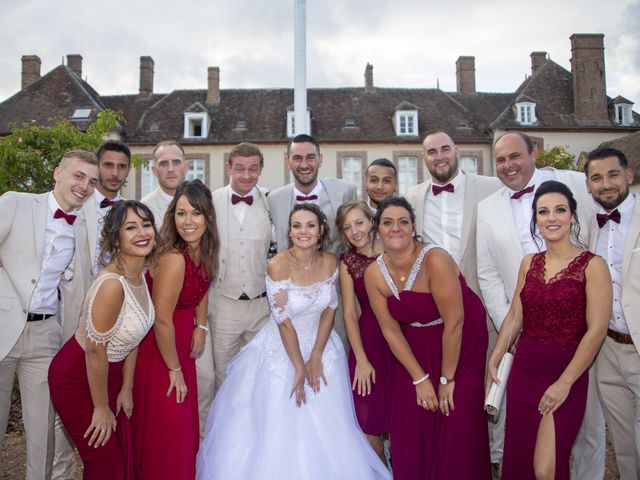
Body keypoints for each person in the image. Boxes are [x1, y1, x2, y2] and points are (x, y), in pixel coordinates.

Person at [196, 203, 391, 480]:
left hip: (323, 347)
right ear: (289, 231)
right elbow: (283, 321)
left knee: (330, 424)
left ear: (321, 229)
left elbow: (329, 309)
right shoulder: (277, 265)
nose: (303, 232)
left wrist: (316, 356)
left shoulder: (330, 262)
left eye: (310, 225)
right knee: (281, 423)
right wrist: (300, 366)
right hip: (283, 350)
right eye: (297, 226)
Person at [476, 131, 601, 478]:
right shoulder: (525, 257)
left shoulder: (592, 261)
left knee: (559, 457)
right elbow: (505, 297)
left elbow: (597, 328)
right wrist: (501, 350)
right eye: (500, 159)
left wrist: (565, 381)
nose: (508, 165)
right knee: (521, 455)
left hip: (570, 360)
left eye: (560, 210)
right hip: (526, 357)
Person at [365, 197, 491, 479]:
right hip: (414, 346)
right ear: (378, 229)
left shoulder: (435, 259)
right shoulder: (374, 274)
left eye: (403, 222)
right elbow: (390, 329)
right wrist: (420, 379)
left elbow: (455, 322)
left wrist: (446, 380)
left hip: (461, 340)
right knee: (412, 417)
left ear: (413, 227)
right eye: (387, 222)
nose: (395, 228)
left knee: (455, 414)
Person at [0, 150, 98, 480]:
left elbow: (78, 286)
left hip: (46, 337)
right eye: (78, 176)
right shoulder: (16, 202)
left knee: (43, 436)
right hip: (2, 328)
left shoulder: (82, 229)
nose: (85, 186)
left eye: (91, 181)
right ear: (57, 173)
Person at [407, 130, 502, 468]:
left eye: (445, 148)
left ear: (457, 150)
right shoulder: (413, 196)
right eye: (431, 151)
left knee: (490, 384)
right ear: (424, 159)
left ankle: (494, 457)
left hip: (482, 303)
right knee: (450, 390)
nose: (439, 156)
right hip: (439, 314)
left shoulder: (490, 188)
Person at [48, 200, 158, 479]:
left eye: (146, 225)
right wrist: (100, 407)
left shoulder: (140, 274)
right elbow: (95, 352)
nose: (142, 233)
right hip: (77, 377)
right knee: (106, 463)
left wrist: (127, 387)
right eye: (130, 227)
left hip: (109, 376)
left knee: (119, 457)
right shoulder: (112, 285)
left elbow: (132, 337)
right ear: (115, 238)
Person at [53, 139, 132, 480]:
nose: (114, 173)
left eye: (121, 167)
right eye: (108, 165)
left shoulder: (133, 211)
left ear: (128, 172)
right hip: (72, 316)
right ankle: (61, 473)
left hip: (115, 327)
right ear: (99, 168)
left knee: (103, 417)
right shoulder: (77, 204)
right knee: (63, 418)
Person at [132, 180, 218, 479]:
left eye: (195, 213)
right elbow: (161, 319)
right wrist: (174, 368)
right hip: (161, 349)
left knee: (181, 425)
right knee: (169, 425)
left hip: (182, 341)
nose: (188, 222)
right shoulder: (173, 258)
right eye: (181, 214)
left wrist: (201, 324)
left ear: (208, 216)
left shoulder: (204, 249)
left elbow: (203, 284)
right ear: (172, 217)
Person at [268, 133, 357, 346]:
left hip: (332, 295)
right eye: (297, 158)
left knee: (335, 353)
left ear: (320, 159)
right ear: (287, 161)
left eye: (310, 157)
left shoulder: (345, 191)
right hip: (293, 299)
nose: (304, 164)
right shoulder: (274, 199)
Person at [585, 146, 640, 478]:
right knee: (623, 443)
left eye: (612, 175)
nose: (605, 184)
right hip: (606, 350)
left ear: (629, 176)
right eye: (596, 178)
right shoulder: (589, 226)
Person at [209, 143, 271, 400]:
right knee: (224, 377)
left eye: (253, 169)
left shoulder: (272, 201)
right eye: (240, 169)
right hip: (224, 304)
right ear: (228, 168)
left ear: (261, 170)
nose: (247, 175)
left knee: (262, 375)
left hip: (263, 306)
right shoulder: (211, 201)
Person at [336, 200, 393, 463]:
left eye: (359, 222)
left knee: (401, 414)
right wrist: (360, 359)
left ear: (371, 221)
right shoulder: (348, 262)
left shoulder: (395, 248)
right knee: (365, 418)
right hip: (369, 342)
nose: (355, 231)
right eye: (347, 228)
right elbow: (349, 312)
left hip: (404, 338)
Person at [140, 140, 190, 228]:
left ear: (186, 167)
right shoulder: (143, 209)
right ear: (154, 171)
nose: (170, 169)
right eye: (163, 164)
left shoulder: (203, 203)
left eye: (176, 162)